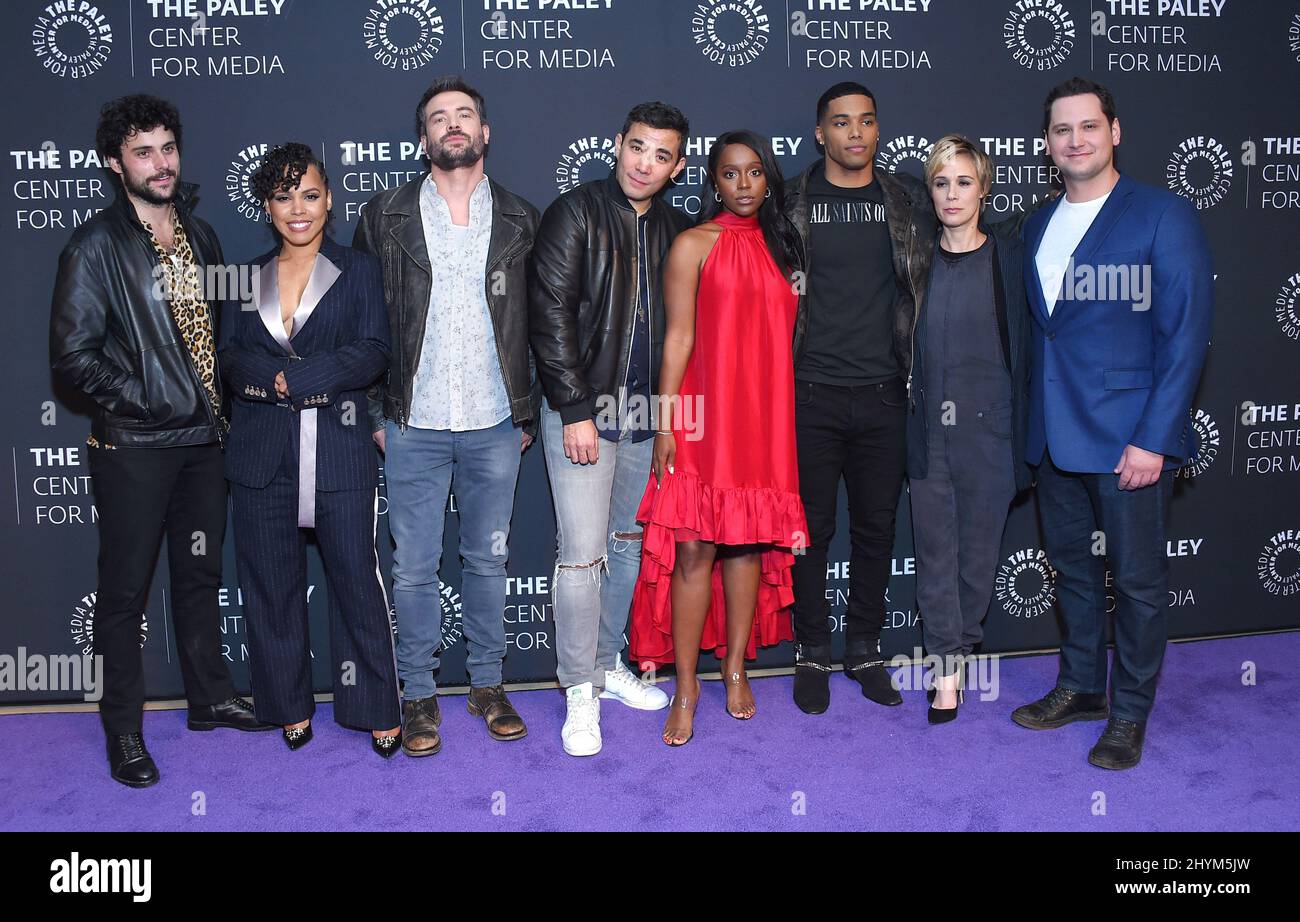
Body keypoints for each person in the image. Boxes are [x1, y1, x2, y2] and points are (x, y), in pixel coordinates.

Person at [50, 94, 268, 788]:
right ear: (116, 163)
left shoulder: (200, 236)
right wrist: (150, 402)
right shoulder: (95, 245)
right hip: (137, 447)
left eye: (167, 147)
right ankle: (123, 731)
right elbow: (73, 358)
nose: (161, 162)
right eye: (143, 152)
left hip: (205, 443)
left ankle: (208, 698)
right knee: (124, 594)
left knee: (200, 576)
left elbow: (214, 341)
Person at [1012, 78, 1212, 770]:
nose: (1076, 140)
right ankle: (1079, 687)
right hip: (1053, 439)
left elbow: (1185, 336)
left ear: (1115, 131)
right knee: (1071, 573)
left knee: (1135, 582)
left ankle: (1129, 711)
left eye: (1089, 127)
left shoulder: (1163, 214)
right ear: (1047, 145)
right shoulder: (1036, 223)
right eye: (1062, 130)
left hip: (1129, 438)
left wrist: (1154, 437)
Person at [353, 76, 539, 755]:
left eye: (465, 115)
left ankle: (488, 686)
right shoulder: (384, 216)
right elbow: (363, 322)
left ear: (485, 132)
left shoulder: (522, 217)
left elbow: (542, 323)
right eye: (439, 118)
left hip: (495, 420)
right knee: (413, 570)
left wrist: (527, 409)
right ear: (423, 138)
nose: (453, 125)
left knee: (489, 563)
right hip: (413, 421)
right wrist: (378, 410)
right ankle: (419, 695)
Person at [220, 143, 401, 756]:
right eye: (283, 196)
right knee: (269, 586)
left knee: (356, 583)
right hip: (260, 453)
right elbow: (230, 356)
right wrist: (267, 382)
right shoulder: (244, 277)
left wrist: (297, 378)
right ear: (266, 206)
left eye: (311, 194)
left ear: (329, 198)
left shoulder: (360, 270)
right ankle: (286, 704)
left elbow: (375, 349)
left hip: (340, 449)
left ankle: (376, 705)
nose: (298, 209)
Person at [630, 131, 807, 746]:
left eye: (755, 172)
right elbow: (677, 339)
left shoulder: (787, 249)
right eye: (730, 174)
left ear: (768, 178)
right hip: (703, 417)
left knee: (747, 546)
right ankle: (686, 685)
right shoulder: (692, 245)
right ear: (712, 181)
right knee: (693, 550)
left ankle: (734, 669)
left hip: (764, 421)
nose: (743, 184)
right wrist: (665, 421)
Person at [529, 101, 691, 756]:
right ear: (617, 144)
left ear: (678, 166)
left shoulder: (678, 228)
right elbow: (549, 314)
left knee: (625, 542)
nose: (645, 164)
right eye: (637, 147)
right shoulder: (576, 212)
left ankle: (603, 665)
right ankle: (576, 689)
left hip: (644, 418)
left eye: (661, 154)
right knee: (580, 553)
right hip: (584, 411)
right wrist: (573, 410)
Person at [784, 82, 936, 714]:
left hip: (883, 394)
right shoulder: (788, 202)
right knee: (810, 533)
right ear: (820, 133)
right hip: (808, 393)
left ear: (878, 131)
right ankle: (813, 650)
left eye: (866, 122)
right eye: (841, 123)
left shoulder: (904, 201)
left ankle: (865, 648)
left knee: (877, 528)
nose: (855, 133)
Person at [906, 135, 1033, 724]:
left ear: (984, 188)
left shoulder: (1009, 259)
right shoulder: (915, 261)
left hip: (994, 433)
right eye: (941, 182)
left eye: (963, 182)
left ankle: (960, 649)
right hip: (929, 434)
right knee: (935, 554)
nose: (952, 194)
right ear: (929, 192)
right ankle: (946, 672)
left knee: (978, 558)